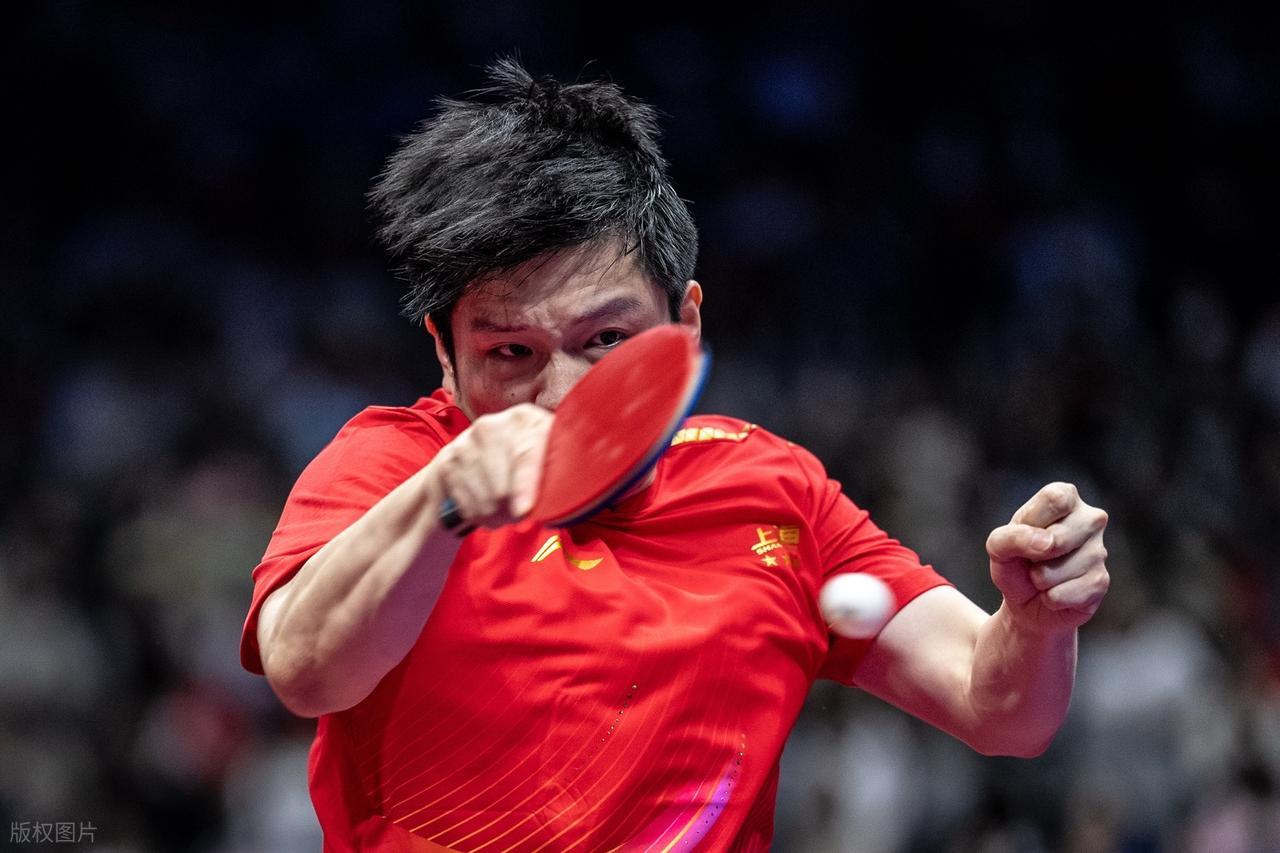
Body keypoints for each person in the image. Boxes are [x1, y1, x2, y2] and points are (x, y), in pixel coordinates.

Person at [239, 58, 1110, 852]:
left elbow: (999, 708)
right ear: (445, 351)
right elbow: (305, 670)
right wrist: (442, 504)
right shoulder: (392, 468)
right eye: (510, 352)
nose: (561, 394)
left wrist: (1037, 623)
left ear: (685, 321)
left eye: (606, 338)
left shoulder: (774, 491)